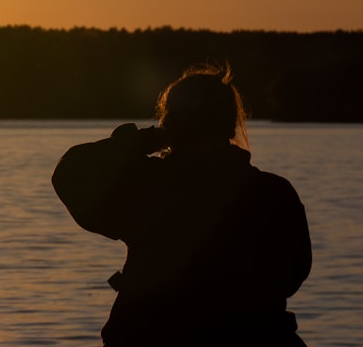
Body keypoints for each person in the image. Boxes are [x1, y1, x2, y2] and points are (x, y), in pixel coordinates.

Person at [52, 63, 312, 346]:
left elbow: (71, 171)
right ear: (230, 124)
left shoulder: (146, 185)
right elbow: (292, 274)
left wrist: (144, 140)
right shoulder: (274, 192)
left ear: (170, 123)